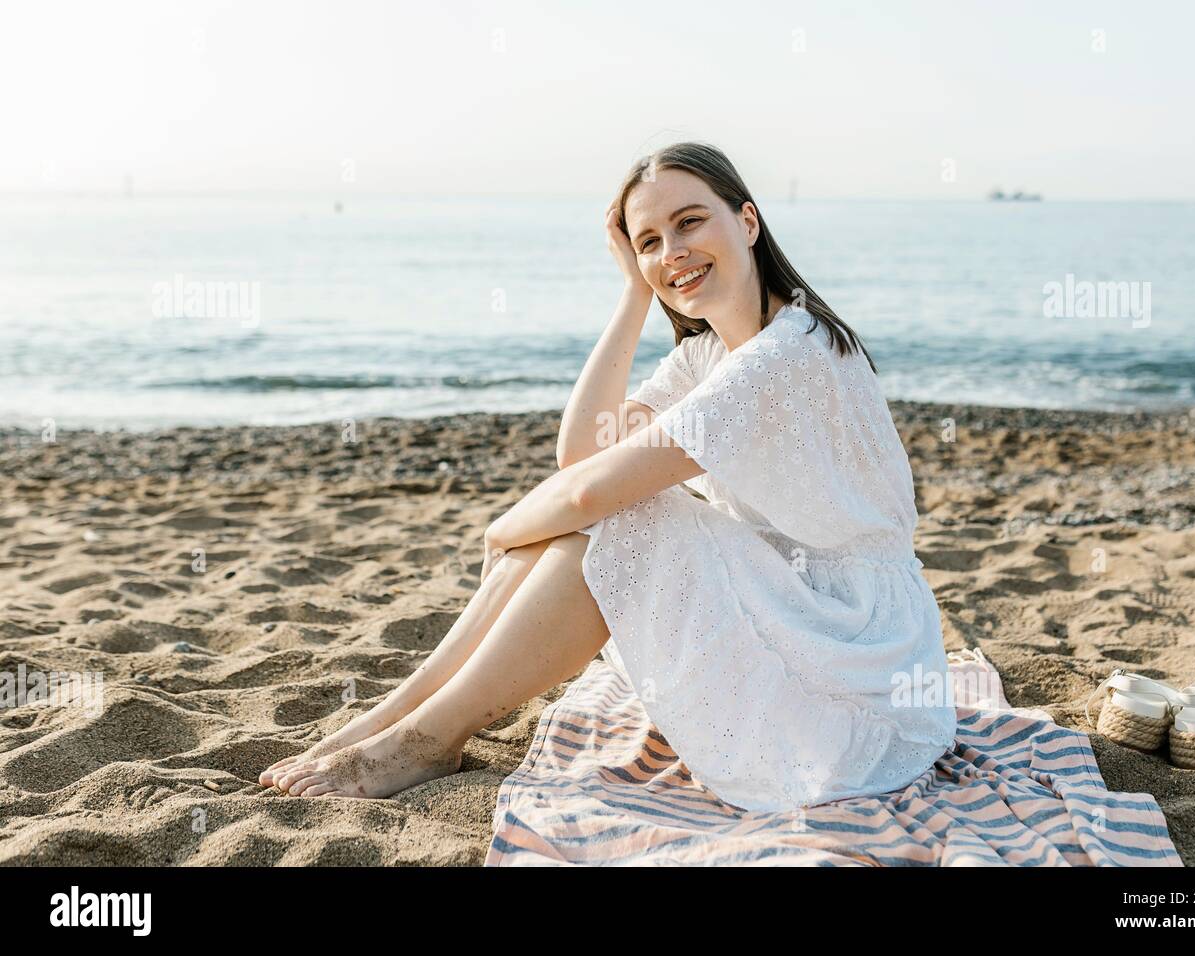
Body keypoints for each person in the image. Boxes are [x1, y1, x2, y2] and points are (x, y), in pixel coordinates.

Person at [259, 141, 957, 809]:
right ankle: (401, 717)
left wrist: (503, 528)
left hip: (859, 651)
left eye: (690, 223)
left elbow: (591, 489)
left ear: (747, 221)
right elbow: (583, 451)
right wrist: (633, 295)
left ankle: (425, 735)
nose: (671, 252)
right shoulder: (710, 354)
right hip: (794, 599)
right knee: (593, 522)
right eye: (648, 241)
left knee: (620, 516)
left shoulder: (785, 357)